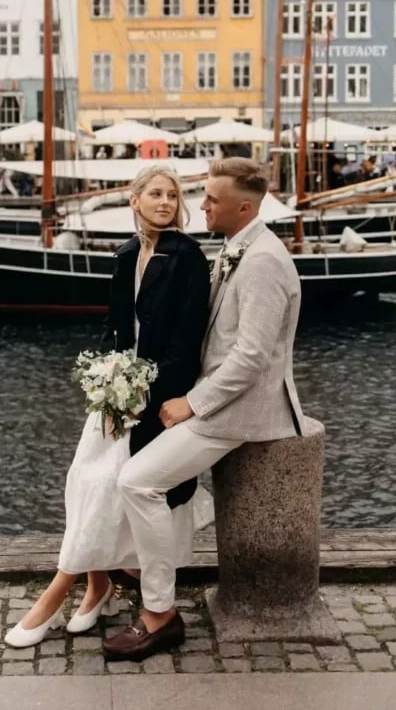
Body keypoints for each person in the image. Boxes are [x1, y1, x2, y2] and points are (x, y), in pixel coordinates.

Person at [103, 157, 306, 662]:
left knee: (137, 481)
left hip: (241, 410)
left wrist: (191, 404)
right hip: (219, 399)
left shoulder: (262, 261)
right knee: (137, 480)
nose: (200, 206)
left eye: (212, 199)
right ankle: (143, 575)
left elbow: (253, 357)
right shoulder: (239, 248)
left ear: (243, 206)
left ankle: (159, 614)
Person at [4, 164, 211, 648]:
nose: (166, 202)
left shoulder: (188, 257)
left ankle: (60, 591)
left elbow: (187, 341)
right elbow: (114, 325)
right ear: (134, 201)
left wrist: (154, 395)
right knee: (85, 482)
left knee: (107, 486)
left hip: (158, 400)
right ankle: (96, 585)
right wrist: (105, 376)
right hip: (116, 395)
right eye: (155, 194)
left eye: (173, 195)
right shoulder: (124, 254)